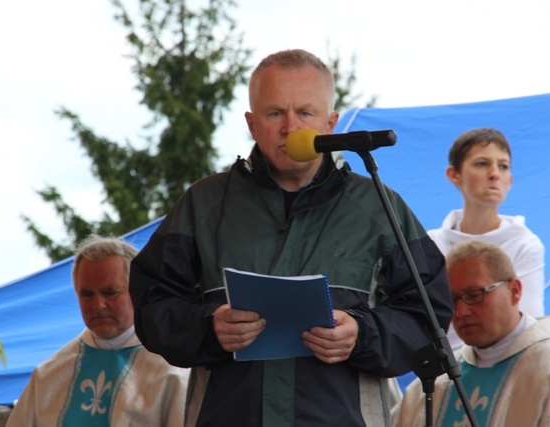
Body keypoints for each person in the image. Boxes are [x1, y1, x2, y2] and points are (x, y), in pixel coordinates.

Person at [129, 48, 453, 427]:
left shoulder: (379, 206)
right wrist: (207, 327)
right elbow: (152, 304)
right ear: (251, 123)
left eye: (305, 113)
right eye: (274, 113)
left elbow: (428, 315)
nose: (290, 128)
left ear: (330, 123)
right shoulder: (205, 203)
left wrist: (362, 334)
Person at [395, 239, 550, 427]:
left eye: (474, 295)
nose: (461, 312)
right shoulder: (438, 379)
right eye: (452, 300)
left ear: (514, 290)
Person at [6, 235, 189, 427]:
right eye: (87, 294)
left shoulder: (172, 371)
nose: (98, 305)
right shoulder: (48, 375)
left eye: (110, 292)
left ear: (137, 292)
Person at [427, 127, 545, 351]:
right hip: (442, 370)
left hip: (507, 363)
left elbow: (529, 323)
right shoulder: (430, 244)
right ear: (454, 174)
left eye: (503, 166)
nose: (494, 174)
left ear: (510, 180)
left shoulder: (525, 244)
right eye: (482, 164)